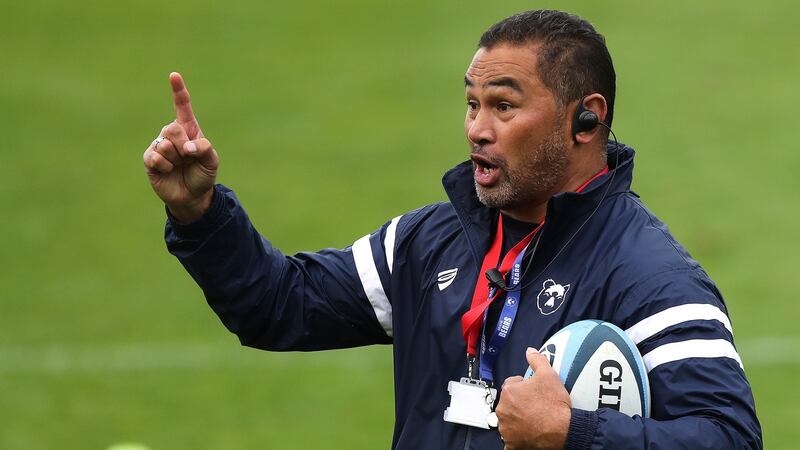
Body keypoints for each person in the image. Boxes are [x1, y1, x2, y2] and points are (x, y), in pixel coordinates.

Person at [142, 9, 761, 450]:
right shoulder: (426, 243)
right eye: (472, 103)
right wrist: (201, 213)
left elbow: (730, 437)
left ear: (586, 120)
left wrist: (575, 434)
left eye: (504, 105)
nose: (476, 129)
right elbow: (279, 305)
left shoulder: (649, 276)